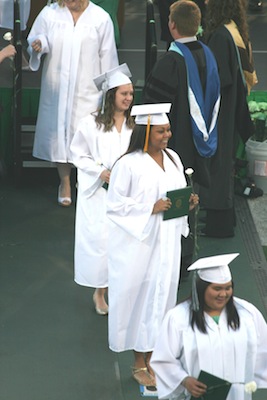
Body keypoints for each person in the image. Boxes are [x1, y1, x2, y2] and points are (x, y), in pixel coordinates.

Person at [106, 103, 199, 387]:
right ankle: (138, 362)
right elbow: (115, 205)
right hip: (140, 246)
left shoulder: (172, 158)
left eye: (168, 130)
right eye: (161, 131)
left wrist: (188, 202)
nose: (167, 135)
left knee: (162, 300)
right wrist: (151, 207)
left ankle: (154, 359)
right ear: (146, 133)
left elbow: (175, 196)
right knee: (141, 299)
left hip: (167, 242)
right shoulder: (128, 164)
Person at [143, 0, 220, 277]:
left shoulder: (170, 62)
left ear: (171, 24)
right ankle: (186, 255)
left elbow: (153, 110)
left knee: (173, 201)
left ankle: (173, 261)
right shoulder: (209, 55)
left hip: (173, 147)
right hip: (199, 146)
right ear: (197, 25)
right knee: (191, 200)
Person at [27, 0, 118, 206]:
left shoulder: (100, 18)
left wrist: (109, 94)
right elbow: (35, 38)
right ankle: (65, 182)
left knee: (86, 138)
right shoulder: (50, 13)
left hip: (88, 90)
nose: (69, 2)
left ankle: (84, 182)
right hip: (57, 88)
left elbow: (108, 57)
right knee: (59, 136)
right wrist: (39, 44)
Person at [151, 253, 267, 400]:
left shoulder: (247, 314)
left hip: (237, 395)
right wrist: (184, 380)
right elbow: (164, 358)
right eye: (217, 288)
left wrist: (254, 378)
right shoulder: (178, 318)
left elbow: (263, 349)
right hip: (198, 395)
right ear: (201, 288)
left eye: (228, 288)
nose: (223, 294)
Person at [70, 64, 134, 315]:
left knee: (124, 242)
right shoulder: (91, 123)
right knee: (101, 241)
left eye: (130, 94)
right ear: (111, 95)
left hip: (126, 191)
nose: (128, 98)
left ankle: (121, 290)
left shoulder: (134, 124)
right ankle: (100, 292)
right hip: (98, 191)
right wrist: (101, 172)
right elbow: (78, 154)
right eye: (123, 94)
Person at [199, 0, 254, 238]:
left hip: (220, 113)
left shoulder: (221, 36)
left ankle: (218, 225)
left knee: (219, 167)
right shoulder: (231, 31)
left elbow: (219, 80)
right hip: (228, 110)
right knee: (223, 165)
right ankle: (224, 218)